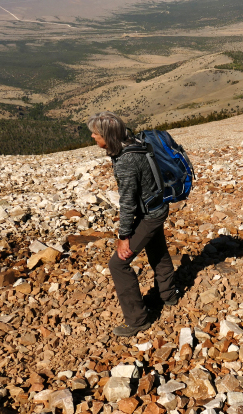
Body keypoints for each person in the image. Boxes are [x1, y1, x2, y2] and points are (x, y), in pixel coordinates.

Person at [86, 111, 179, 337]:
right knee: (156, 248)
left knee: (118, 264)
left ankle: (137, 320)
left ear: (107, 135)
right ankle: (168, 295)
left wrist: (124, 236)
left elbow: (127, 202)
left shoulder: (126, 160)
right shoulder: (134, 142)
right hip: (157, 206)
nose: (92, 137)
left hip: (150, 214)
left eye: (95, 134)